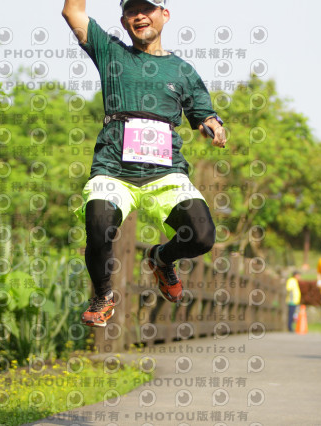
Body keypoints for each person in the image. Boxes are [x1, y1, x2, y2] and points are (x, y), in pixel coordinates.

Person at [62, 0, 227, 327]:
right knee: (98, 222)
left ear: (164, 15)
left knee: (203, 236)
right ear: (124, 22)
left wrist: (215, 126)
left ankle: (161, 259)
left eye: (148, 8)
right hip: (114, 168)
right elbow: (73, 12)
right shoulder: (111, 53)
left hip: (165, 173)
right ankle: (103, 294)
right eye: (131, 10)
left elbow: (204, 114)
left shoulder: (182, 70)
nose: (140, 15)